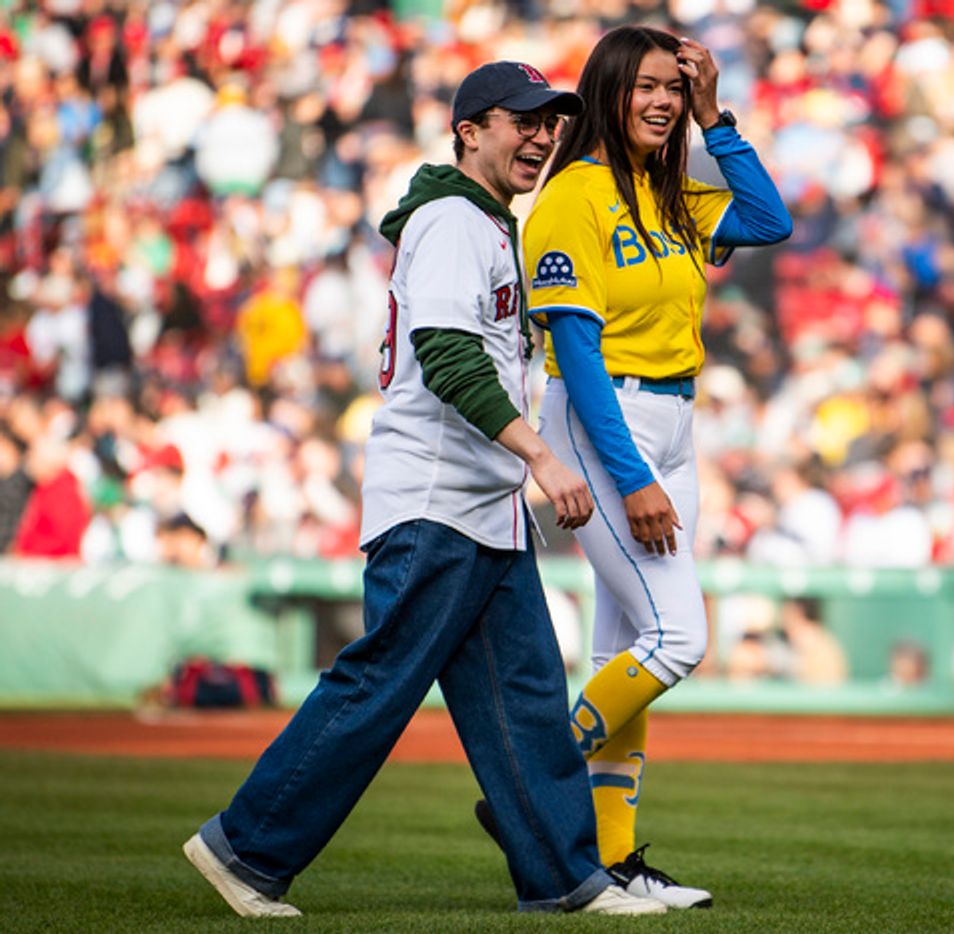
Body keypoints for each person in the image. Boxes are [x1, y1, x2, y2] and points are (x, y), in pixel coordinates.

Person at [181, 61, 665, 918]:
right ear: (469, 129)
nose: (543, 134)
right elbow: (447, 358)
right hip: (437, 499)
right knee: (379, 685)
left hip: (484, 507)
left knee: (524, 698)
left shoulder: (486, 222)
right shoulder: (450, 219)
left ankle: (564, 877)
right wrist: (545, 463)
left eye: (551, 120)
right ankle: (245, 847)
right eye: (522, 119)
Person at [521, 25, 791, 909]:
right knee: (679, 638)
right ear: (607, 90)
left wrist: (719, 118)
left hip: (675, 416)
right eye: (646, 86)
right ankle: (532, 796)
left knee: (621, 646)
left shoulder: (669, 192)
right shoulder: (575, 197)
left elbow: (767, 220)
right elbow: (579, 354)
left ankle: (611, 865)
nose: (662, 101)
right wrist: (631, 475)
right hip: (606, 420)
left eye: (673, 89)